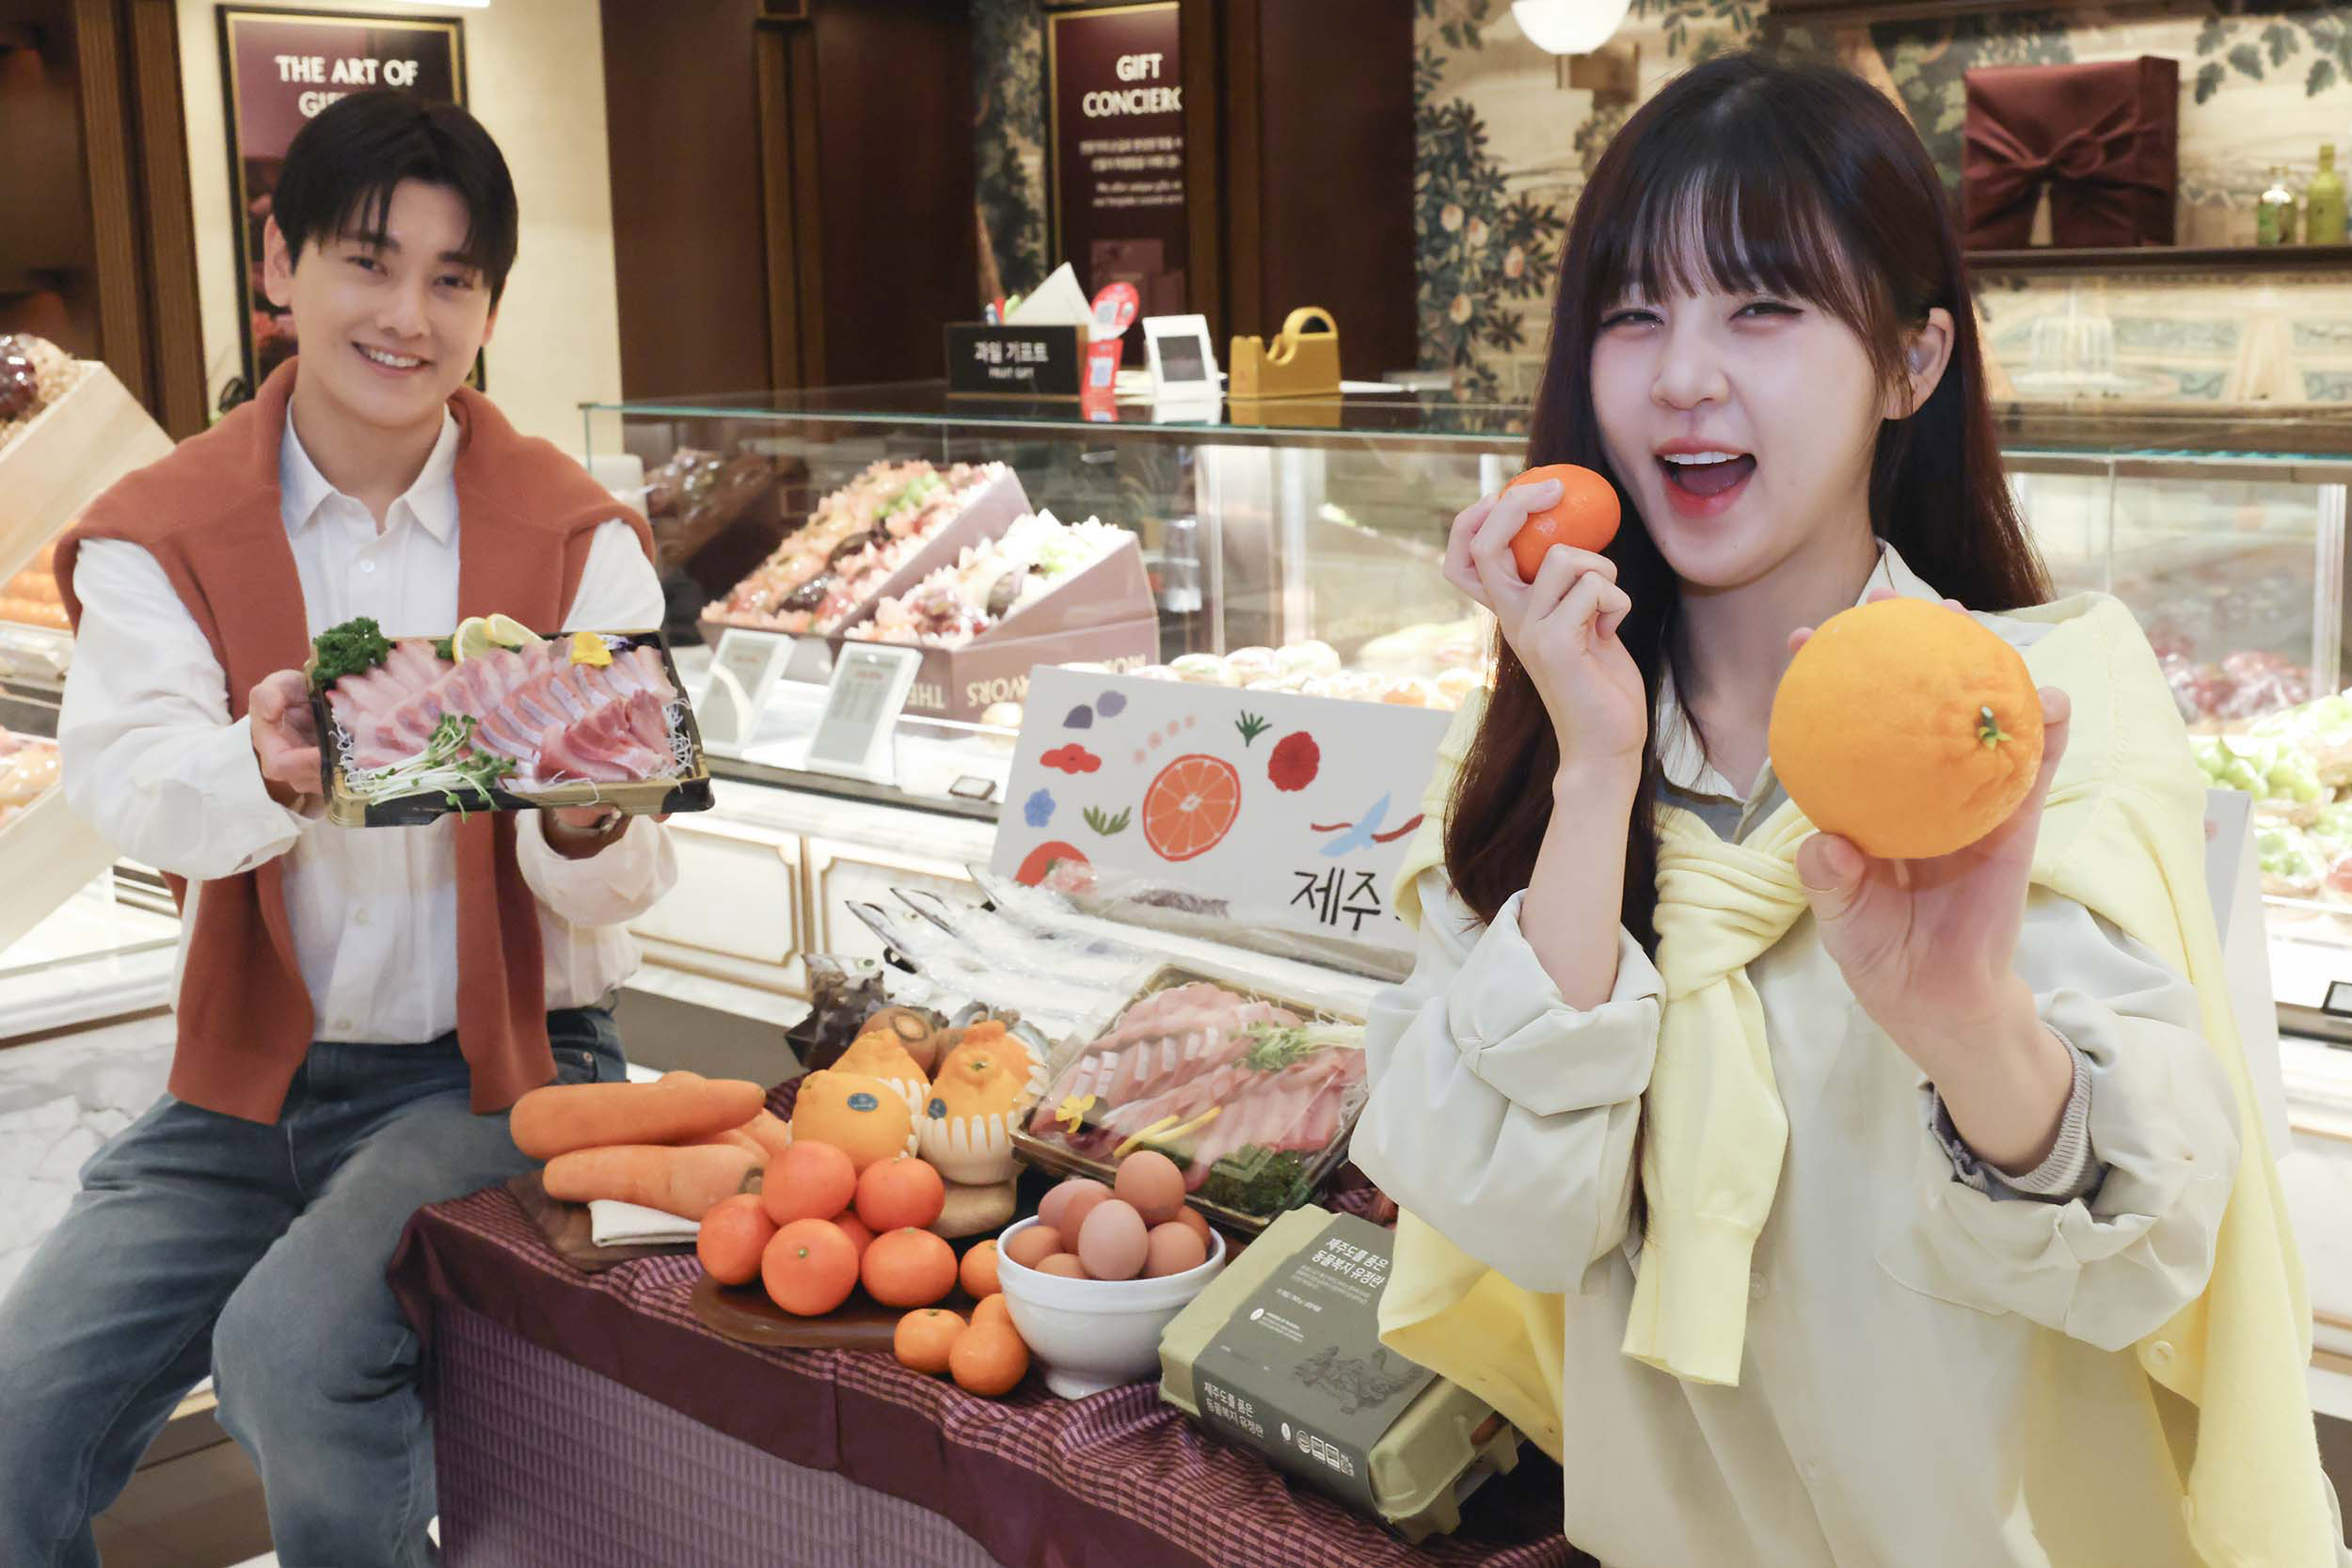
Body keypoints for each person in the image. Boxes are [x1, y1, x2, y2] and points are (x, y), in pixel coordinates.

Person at [1350, 53, 2345, 1568]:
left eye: (1762, 308)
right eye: (1634, 313)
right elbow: (1516, 1218)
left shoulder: (2038, 711)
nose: (1684, 376)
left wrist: (1970, 1026)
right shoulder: (1530, 762)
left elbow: (2149, 1262)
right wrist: (1596, 772)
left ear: (1911, 361)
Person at [0, 90, 675, 1568]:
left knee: (292, 1356)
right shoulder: (159, 529)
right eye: (369, 261)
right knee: (14, 1418)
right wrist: (263, 764)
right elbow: (126, 785)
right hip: (242, 1091)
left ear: (489, 307)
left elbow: (624, 882)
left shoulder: (579, 537)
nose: (407, 316)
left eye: (453, 279)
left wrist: (583, 819)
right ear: (278, 261)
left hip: (508, 1068)